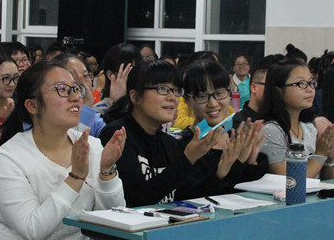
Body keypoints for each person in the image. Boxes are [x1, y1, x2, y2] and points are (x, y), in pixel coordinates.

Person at [0, 61, 126, 240]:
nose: (75, 97)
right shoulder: (8, 158)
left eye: (76, 89)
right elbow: (34, 232)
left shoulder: (90, 145)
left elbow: (112, 222)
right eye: (62, 89)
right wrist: (75, 177)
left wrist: (107, 171)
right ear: (32, 105)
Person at [99, 60, 226, 207]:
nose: (172, 97)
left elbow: (188, 198)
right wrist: (187, 159)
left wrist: (222, 172)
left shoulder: (168, 143)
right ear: (135, 97)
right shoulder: (117, 135)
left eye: (176, 90)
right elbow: (134, 200)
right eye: (163, 89)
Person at [175, 60, 267, 196]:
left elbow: (250, 196)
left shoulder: (236, 137)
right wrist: (220, 173)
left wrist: (251, 161)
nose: (213, 103)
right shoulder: (182, 146)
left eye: (219, 94)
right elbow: (184, 198)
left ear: (229, 94)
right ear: (188, 101)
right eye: (202, 96)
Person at [259, 59, 334, 179]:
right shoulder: (271, 131)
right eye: (301, 83)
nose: (309, 89)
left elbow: (325, 182)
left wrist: (329, 159)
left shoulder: (309, 128)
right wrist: (320, 153)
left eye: (311, 83)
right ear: (279, 90)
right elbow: (291, 183)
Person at [55, 53, 106, 137]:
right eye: (73, 77)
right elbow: (73, 143)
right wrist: (86, 105)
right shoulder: (53, 117)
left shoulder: (95, 119)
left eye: (85, 75)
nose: (81, 83)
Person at [233, 54, 284, 129]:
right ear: (253, 88)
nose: (276, 91)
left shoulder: (279, 119)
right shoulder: (239, 123)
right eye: (271, 85)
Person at [92, 43, 140, 115]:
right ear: (110, 75)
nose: (134, 76)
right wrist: (119, 103)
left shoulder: (143, 106)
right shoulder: (99, 110)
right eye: (128, 70)